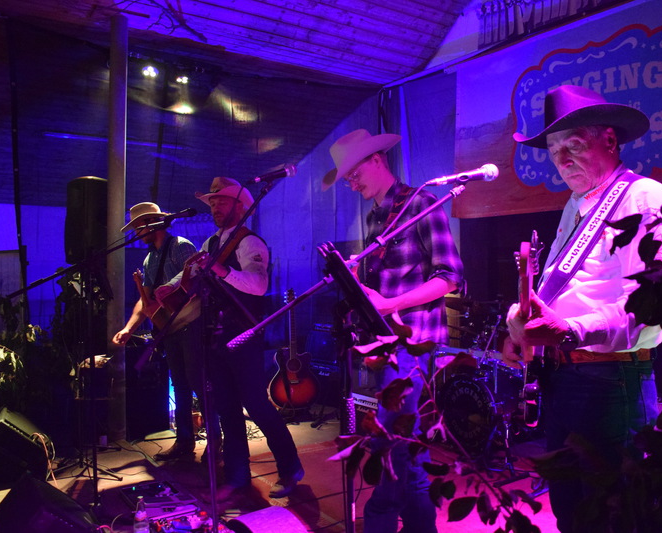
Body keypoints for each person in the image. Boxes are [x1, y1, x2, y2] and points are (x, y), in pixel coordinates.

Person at [504, 85, 662, 532]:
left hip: (613, 380)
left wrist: (569, 330)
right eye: (554, 151)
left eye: (573, 146)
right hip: (568, 378)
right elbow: (561, 288)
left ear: (610, 141)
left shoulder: (644, 196)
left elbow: (650, 305)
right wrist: (520, 326)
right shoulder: (576, 204)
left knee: (614, 514)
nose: (561, 161)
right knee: (571, 512)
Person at [323, 129, 464, 533]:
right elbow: (382, 288)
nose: (352, 184)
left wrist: (388, 304)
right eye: (347, 179)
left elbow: (450, 276)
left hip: (415, 347)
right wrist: (355, 280)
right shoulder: (375, 218)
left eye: (354, 174)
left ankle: (378, 521)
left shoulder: (421, 203)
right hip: (388, 346)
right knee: (409, 453)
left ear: (377, 159)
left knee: (391, 445)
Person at [155, 177, 303, 502]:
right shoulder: (211, 243)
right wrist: (172, 285)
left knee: (256, 405)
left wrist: (224, 272)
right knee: (227, 408)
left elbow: (259, 285)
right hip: (215, 337)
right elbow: (192, 269)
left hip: (244, 337)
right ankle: (237, 476)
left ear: (240, 205)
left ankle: (291, 468)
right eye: (212, 202)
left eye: (221, 201)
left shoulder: (250, 243)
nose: (214, 207)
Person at [112, 202, 209, 461]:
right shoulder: (149, 259)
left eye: (138, 227)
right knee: (180, 386)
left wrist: (172, 292)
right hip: (170, 329)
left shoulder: (180, 246)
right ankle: (184, 442)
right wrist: (128, 328)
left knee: (198, 383)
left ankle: (215, 441)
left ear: (151, 224)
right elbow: (145, 301)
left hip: (191, 324)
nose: (136, 233)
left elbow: (198, 280)